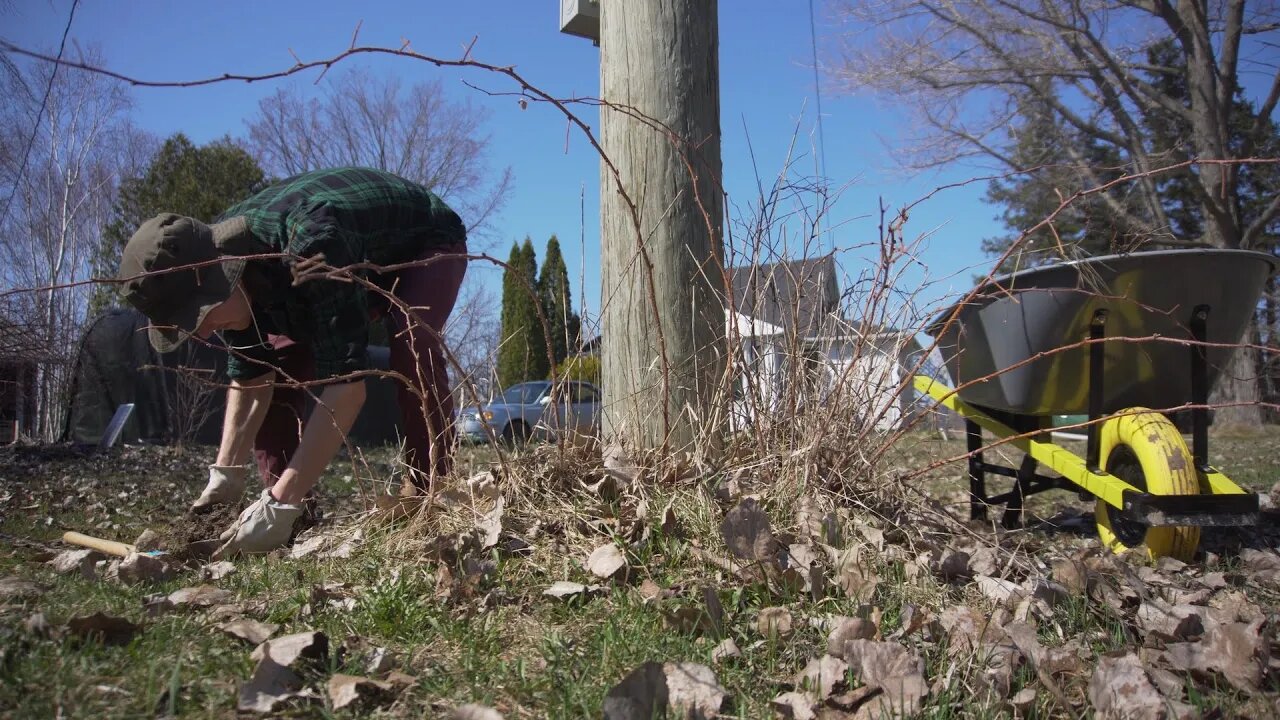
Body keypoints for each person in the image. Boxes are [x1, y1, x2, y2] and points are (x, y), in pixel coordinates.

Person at [119, 167, 468, 557]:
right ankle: (296, 518)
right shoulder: (215, 263)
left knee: (410, 341)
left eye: (199, 316)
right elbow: (251, 376)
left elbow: (347, 386)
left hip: (424, 240)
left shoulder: (312, 245)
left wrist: (280, 500)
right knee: (283, 363)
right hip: (333, 258)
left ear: (224, 275)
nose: (201, 334)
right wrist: (226, 475)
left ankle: (431, 490)